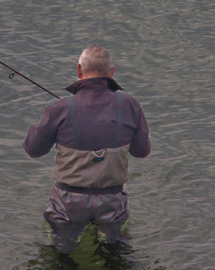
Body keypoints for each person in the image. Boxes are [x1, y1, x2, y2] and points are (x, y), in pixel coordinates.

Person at [25, 46, 149, 258]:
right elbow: (142, 151)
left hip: (68, 200)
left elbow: (33, 150)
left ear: (79, 71)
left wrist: (37, 127)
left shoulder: (59, 109)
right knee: (115, 253)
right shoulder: (130, 105)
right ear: (111, 73)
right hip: (112, 198)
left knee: (60, 253)